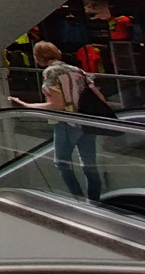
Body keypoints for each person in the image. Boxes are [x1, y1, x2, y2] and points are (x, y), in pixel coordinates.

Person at [10, 41, 106, 201]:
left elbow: (57, 104)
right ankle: (94, 201)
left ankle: (78, 200)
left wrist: (27, 105)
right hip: (87, 121)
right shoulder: (77, 70)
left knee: (62, 163)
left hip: (67, 122)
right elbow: (100, 97)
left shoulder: (50, 73)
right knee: (89, 164)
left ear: (38, 57)